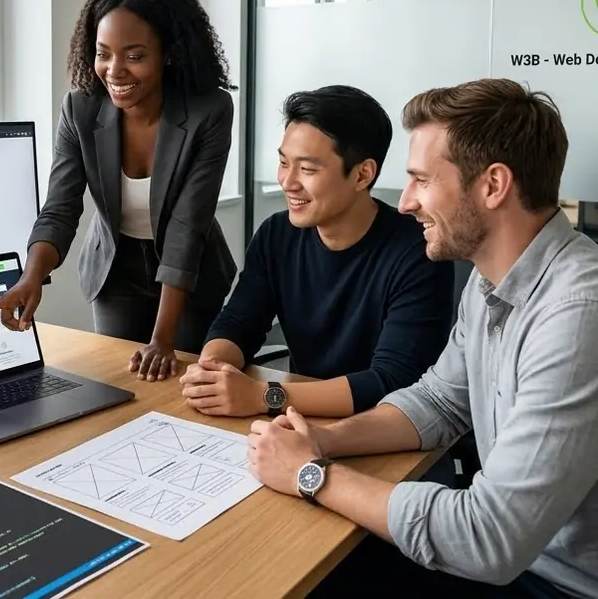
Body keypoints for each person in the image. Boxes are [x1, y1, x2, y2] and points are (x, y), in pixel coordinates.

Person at [247, 79, 598, 599]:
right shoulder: (489, 279)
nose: (406, 203)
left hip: (556, 583)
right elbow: (438, 401)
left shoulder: (577, 312)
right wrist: (326, 439)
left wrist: (313, 474)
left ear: (493, 185)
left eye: (421, 181)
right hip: (516, 560)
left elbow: (490, 539)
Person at [0, 0, 237, 382]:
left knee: (182, 387)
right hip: (116, 270)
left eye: (134, 56)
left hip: (192, 276)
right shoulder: (79, 109)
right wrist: (30, 277)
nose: (114, 70)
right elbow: (60, 208)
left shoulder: (210, 110)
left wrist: (162, 339)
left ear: (169, 53)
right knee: (120, 383)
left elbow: (188, 226)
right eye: (103, 54)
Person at [180, 85, 455, 418]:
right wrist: (211, 369)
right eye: (284, 163)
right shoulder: (276, 235)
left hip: (384, 428)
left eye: (307, 170)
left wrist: (265, 396)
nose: (288, 182)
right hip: (299, 417)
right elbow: (239, 323)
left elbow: (393, 381)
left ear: (362, 174)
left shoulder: (417, 250)